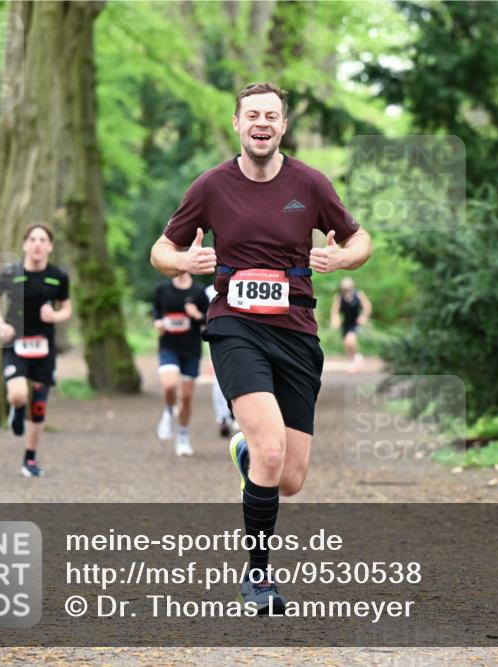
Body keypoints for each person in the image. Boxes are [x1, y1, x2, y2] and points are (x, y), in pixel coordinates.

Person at [150, 82, 372, 612]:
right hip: (235, 328)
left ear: (283, 126)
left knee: (289, 477)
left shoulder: (311, 185)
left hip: (297, 331)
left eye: (272, 115)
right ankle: (257, 580)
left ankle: (245, 451)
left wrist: (341, 260)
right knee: (272, 451)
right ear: (236, 123)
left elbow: (360, 240)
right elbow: (162, 249)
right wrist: (184, 263)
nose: (262, 123)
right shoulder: (209, 186)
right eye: (253, 114)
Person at [0, 224, 72, 478]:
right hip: (16, 341)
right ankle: (17, 409)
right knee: (17, 395)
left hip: (44, 347)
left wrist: (55, 315)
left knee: (39, 407)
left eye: (42, 239)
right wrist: (1, 324)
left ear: (50, 246)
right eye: (32, 239)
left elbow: (67, 308)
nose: (37, 244)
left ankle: (30, 459)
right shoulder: (11, 272)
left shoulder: (59, 276)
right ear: (24, 244)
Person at [153, 273, 210, 456]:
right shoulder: (162, 289)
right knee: (169, 385)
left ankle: (183, 436)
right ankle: (169, 411)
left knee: (186, 397)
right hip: (168, 346)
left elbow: (209, 320)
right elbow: (156, 313)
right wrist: (158, 323)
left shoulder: (199, 291)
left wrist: (196, 315)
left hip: (191, 349)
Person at [205, 283, 239, 438]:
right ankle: (222, 417)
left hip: (242, 340)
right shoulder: (208, 291)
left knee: (241, 378)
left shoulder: (242, 281)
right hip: (218, 339)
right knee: (219, 381)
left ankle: (235, 416)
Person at [330, 277, 372, 372]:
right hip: (346, 323)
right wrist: (335, 319)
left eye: (348, 287)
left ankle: (358, 357)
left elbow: (367, 307)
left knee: (350, 340)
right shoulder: (339, 297)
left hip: (355, 323)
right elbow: (334, 311)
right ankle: (353, 361)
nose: (346, 290)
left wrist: (364, 317)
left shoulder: (358, 294)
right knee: (346, 344)